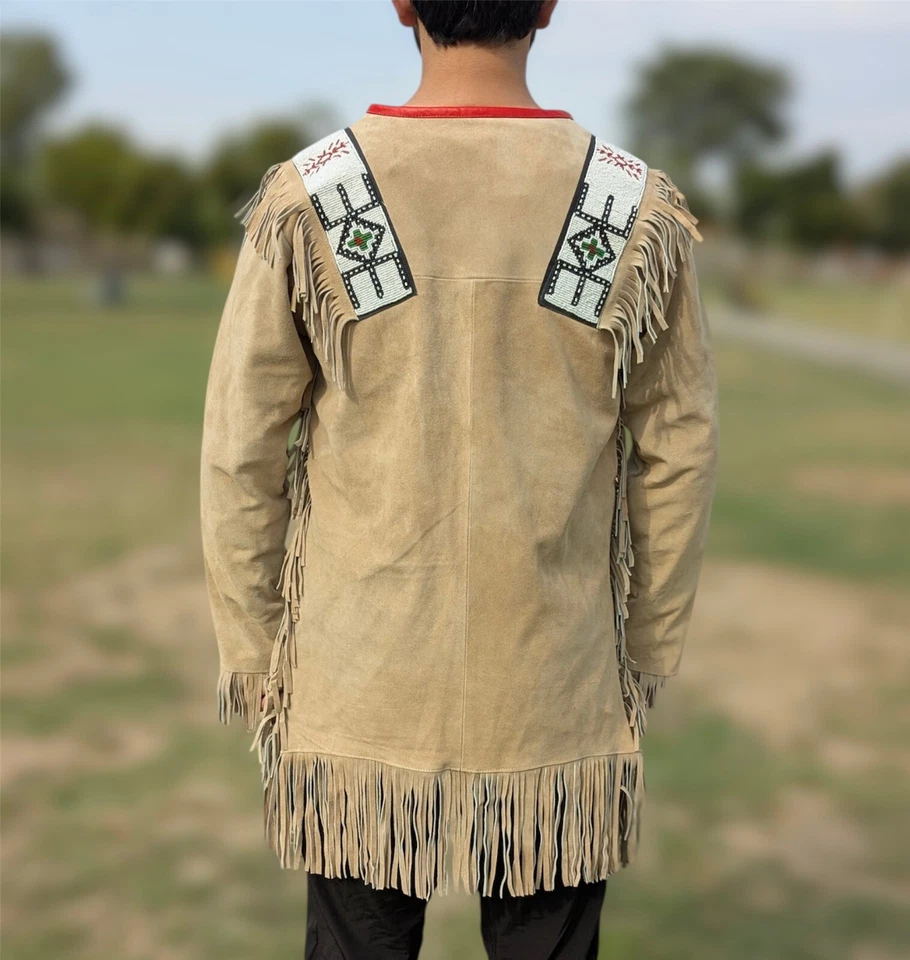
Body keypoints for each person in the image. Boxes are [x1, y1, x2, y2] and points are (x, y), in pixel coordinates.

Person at [200, 1, 719, 956]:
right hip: (553, 692)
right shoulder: (621, 204)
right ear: (550, 5)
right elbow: (677, 444)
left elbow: (243, 448)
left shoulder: (322, 193)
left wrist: (256, 646)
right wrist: (645, 647)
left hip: (361, 690)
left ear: (403, 2)